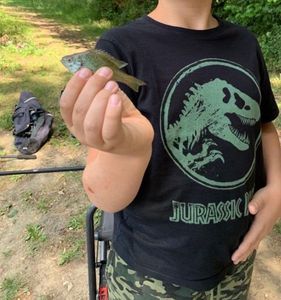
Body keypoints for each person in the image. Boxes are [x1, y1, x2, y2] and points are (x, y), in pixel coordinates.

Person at [60, 0, 281, 298]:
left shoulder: (245, 43)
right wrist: (128, 151)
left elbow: (264, 124)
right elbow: (106, 197)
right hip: (148, 276)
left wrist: (278, 186)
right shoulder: (121, 46)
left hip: (236, 265)